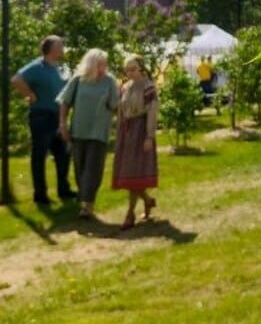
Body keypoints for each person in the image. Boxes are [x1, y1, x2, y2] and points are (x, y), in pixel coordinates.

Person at [11, 35, 76, 206]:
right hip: (41, 117)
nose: (63, 49)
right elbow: (16, 79)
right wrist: (29, 94)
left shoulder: (59, 67)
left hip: (58, 117)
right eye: (60, 46)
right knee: (39, 155)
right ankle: (40, 194)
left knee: (63, 154)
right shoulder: (37, 66)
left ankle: (64, 189)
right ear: (51, 49)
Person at [58, 48, 119, 219]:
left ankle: (88, 205)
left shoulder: (109, 81)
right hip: (79, 130)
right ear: (92, 64)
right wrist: (63, 124)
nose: (105, 67)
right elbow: (65, 102)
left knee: (93, 168)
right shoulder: (78, 80)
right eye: (101, 64)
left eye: (105, 64)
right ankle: (84, 198)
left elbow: (115, 105)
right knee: (80, 168)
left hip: (99, 131)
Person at [113, 54, 159, 230]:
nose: (130, 72)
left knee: (134, 175)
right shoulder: (124, 87)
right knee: (128, 174)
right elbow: (121, 112)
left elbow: (152, 112)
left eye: (133, 69)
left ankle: (129, 214)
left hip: (141, 131)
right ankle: (147, 200)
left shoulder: (149, 88)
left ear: (141, 68)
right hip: (127, 133)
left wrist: (149, 136)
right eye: (127, 69)